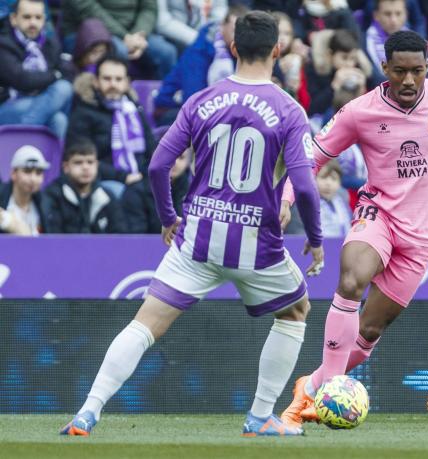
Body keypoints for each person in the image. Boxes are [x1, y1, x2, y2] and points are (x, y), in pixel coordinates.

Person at [60, 11, 324, 437]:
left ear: (233, 48)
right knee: (295, 313)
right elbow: (307, 189)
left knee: (144, 324)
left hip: (196, 240)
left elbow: (158, 165)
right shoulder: (290, 111)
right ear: (278, 50)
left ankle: (87, 413)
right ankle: (259, 417)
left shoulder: (201, 99)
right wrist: (314, 239)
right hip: (256, 245)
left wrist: (169, 218)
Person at [279, 30, 428, 427]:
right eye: (399, 71)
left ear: (427, 68)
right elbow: (311, 158)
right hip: (378, 214)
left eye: (416, 71)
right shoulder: (359, 112)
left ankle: (310, 388)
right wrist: (284, 199)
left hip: (422, 235)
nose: (408, 80)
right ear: (384, 68)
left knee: (367, 332)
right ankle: (334, 385)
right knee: (351, 278)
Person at [66, 56, 154, 191]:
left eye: (118, 79)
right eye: (107, 79)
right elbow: (81, 158)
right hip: (103, 182)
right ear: (96, 82)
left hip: (139, 179)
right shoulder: (83, 113)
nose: (113, 84)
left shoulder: (134, 111)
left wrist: (144, 176)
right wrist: (124, 177)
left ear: (126, 83)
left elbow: (152, 150)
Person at [153, 5, 248, 126]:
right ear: (222, 25)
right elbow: (193, 99)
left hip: (210, 110)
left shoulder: (241, 52)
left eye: (243, 33)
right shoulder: (201, 48)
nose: (238, 37)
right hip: (172, 110)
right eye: (235, 31)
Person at [0, 0, 73, 139]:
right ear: (13, 19)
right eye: (27, 17)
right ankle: (27, 132)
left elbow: (67, 73)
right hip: (9, 106)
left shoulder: (50, 44)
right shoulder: (3, 44)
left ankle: (50, 159)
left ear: (44, 20)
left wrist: (54, 76)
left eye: (38, 17)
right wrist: (54, 75)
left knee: (59, 118)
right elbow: (23, 80)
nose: (33, 23)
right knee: (59, 90)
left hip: (43, 102)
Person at [61, 0, 177, 79]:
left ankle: (160, 106)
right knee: (119, 51)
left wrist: (139, 35)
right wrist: (124, 37)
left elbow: (149, 7)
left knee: (167, 53)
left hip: (133, 32)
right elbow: (86, 8)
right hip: (88, 31)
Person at [42, 141, 127, 233]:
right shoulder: (53, 196)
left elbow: (120, 237)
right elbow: (52, 237)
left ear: (97, 165)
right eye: (78, 163)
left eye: (90, 162)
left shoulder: (107, 197)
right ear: (66, 167)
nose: (85, 167)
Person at [0, 145, 48, 235]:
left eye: (38, 173)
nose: (33, 179)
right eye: (27, 171)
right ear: (13, 173)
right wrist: (7, 221)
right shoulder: (1, 196)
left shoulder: (47, 203)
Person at [317, 159, 352, 237]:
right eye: (323, 177)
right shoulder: (305, 204)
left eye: (334, 179)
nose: (328, 183)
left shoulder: (343, 203)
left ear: (340, 182)